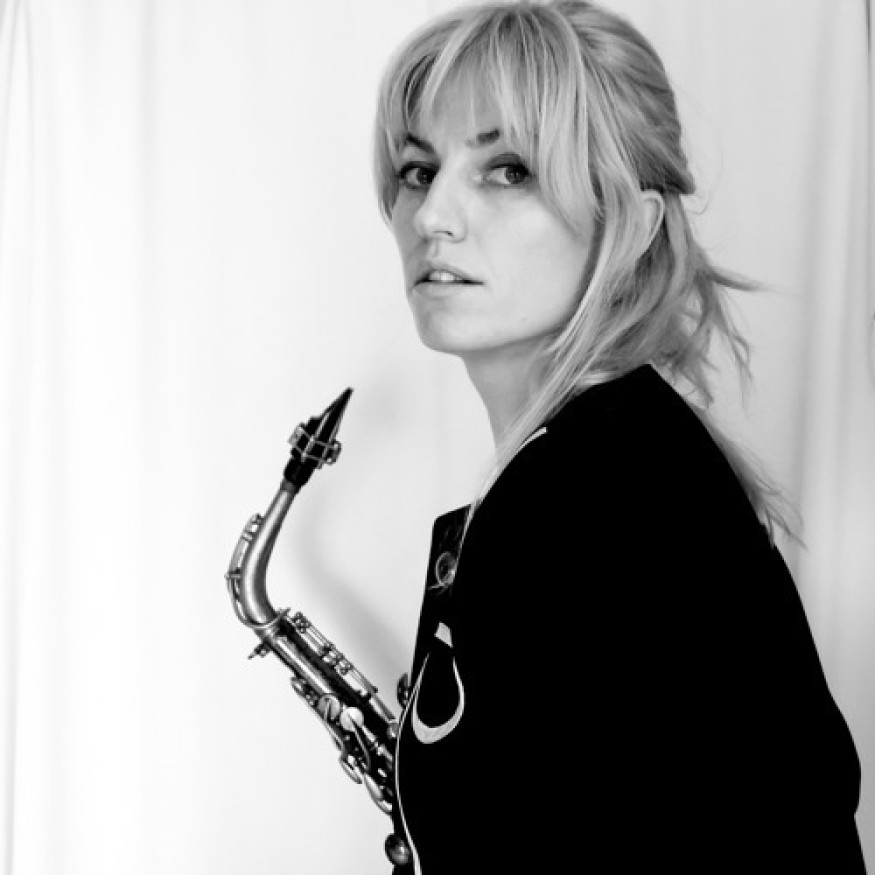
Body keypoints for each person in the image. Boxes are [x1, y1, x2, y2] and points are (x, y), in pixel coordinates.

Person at [371, 1, 866, 872]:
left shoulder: (596, 497)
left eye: (508, 170)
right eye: (419, 169)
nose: (432, 215)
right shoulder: (611, 460)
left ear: (628, 225)